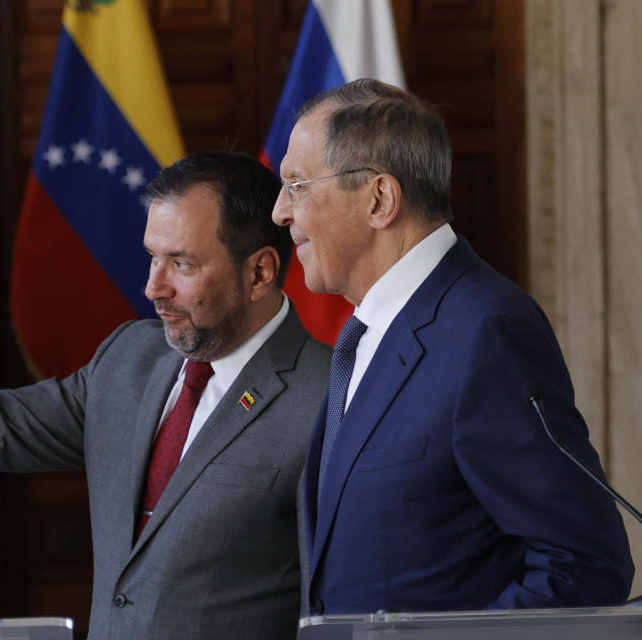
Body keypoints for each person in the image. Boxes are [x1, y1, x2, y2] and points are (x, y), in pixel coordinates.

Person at [0, 150, 331, 639]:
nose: (152, 287)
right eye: (152, 257)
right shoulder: (129, 358)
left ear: (260, 271)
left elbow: (333, 599)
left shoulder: (331, 395)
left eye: (182, 264)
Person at [271, 78, 634, 615]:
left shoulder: (487, 330)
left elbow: (583, 565)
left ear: (379, 200)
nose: (280, 211)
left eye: (297, 185)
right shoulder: (366, 334)